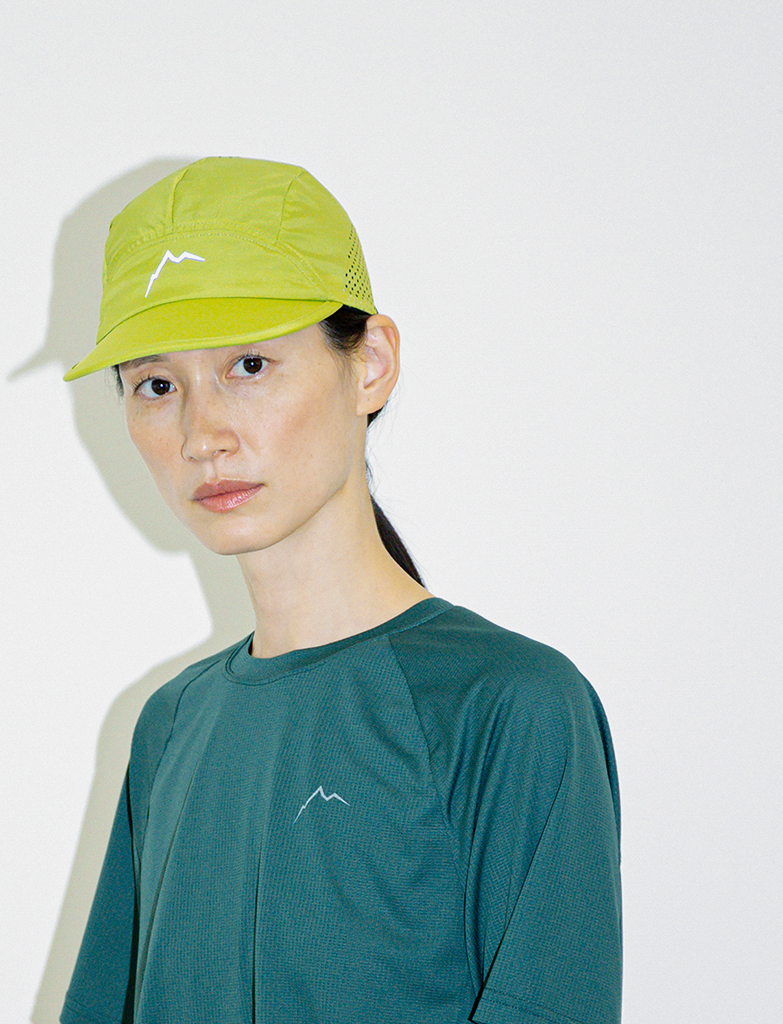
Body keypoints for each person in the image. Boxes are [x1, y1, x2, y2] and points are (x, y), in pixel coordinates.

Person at [59, 157, 622, 1024]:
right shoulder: (169, 727)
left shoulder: (509, 708)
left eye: (250, 364)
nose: (203, 435)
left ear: (371, 365)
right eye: (158, 385)